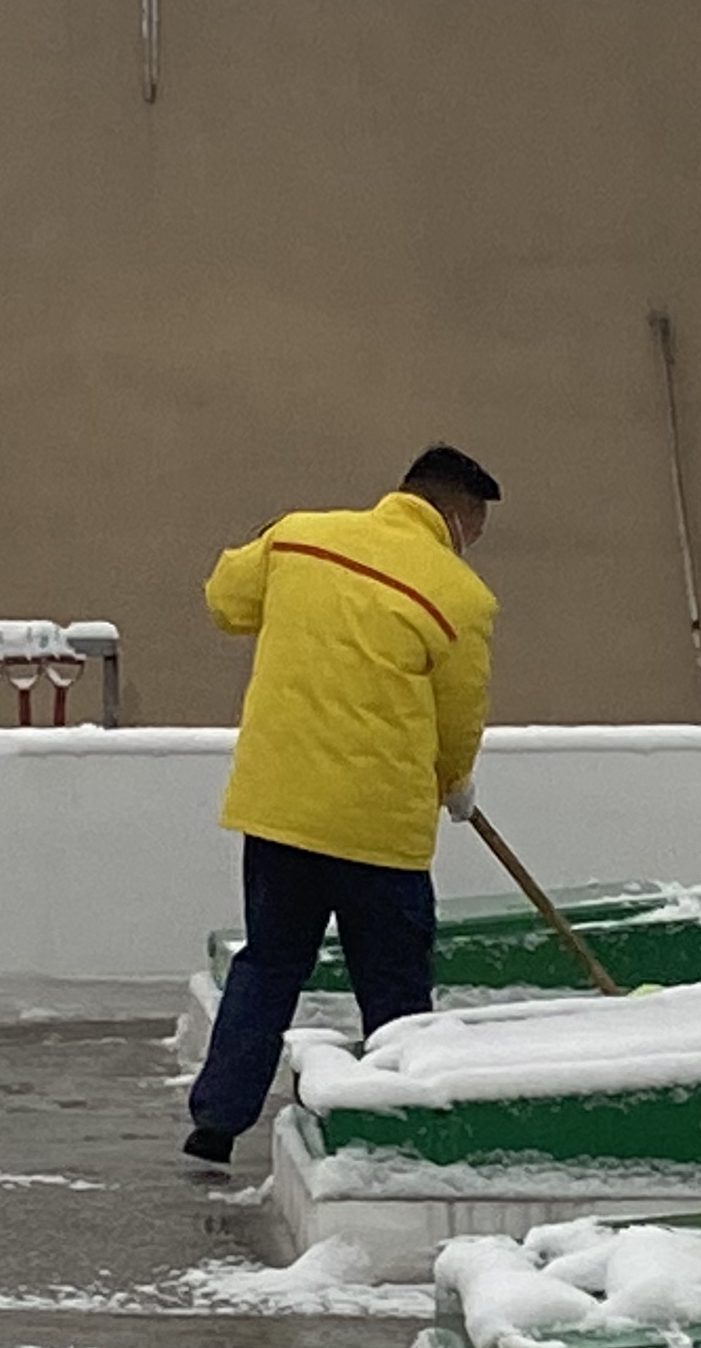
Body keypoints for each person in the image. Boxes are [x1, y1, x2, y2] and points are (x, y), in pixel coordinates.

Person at [182, 446, 501, 1164]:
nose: (474, 543)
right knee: (391, 983)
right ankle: (400, 1131)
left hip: (281, 813)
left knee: (269, 964)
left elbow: (226, 600)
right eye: (477, 528)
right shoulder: (458, 596)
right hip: (377, 830)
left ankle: (215, 1126)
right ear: (457, 514)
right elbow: (458, 717)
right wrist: (455, 781)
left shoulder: (298, 537)